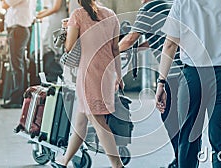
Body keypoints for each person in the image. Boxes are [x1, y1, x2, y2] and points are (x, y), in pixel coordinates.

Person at [155, 0, 221, 168]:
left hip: (193, 78)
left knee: (188, 137)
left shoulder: (183, 3)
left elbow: (170, 45)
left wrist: (161, 82)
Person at [52, 0, 124, 168]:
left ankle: (117, 165)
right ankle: (64, 160)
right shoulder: (111, 15)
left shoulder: (77, 15)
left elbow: (69, 46)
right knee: (81, 122)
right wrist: (118, 76)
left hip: (88, 75)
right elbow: (115, 49)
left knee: (98, 121)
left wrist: (67, 28)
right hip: (106, 73)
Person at [119, 0, 181, 167]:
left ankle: (182, 161)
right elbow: (157, 38)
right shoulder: (169, 3)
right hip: (188, 69)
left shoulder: (149, 7)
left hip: (173, 71)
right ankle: (182, 159)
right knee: (182, 120)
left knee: (169, 117)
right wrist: (138, 48)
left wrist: (108, 52)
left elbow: (130, 39)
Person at [0, 0, 33, 108]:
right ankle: (20, 97)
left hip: (18, 30)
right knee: (19, 64)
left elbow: (4, 5)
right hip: (17, 30)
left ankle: (16, 98)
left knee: (16, 65)